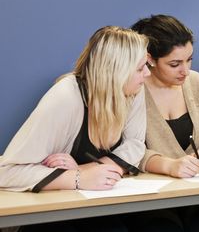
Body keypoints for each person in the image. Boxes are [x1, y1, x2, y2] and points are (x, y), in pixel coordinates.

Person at [0, 26, 150, 231]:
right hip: (50, 209)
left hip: (94, 203)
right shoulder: (65, 97)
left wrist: (86, 169)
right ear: (117, 71)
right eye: (140, 68)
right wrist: (78, 178)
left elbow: (135, 145)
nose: (148, 74)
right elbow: (7, 172)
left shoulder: (133, 90)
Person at [128, 14, 199, 232]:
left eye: (189, 59)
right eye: (175, 64)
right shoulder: (133, 90)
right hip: (150, 197)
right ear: (150, 60)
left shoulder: (197, 83)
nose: (186, 70)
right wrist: (170, 166)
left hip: (196, 194)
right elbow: (126, 150)